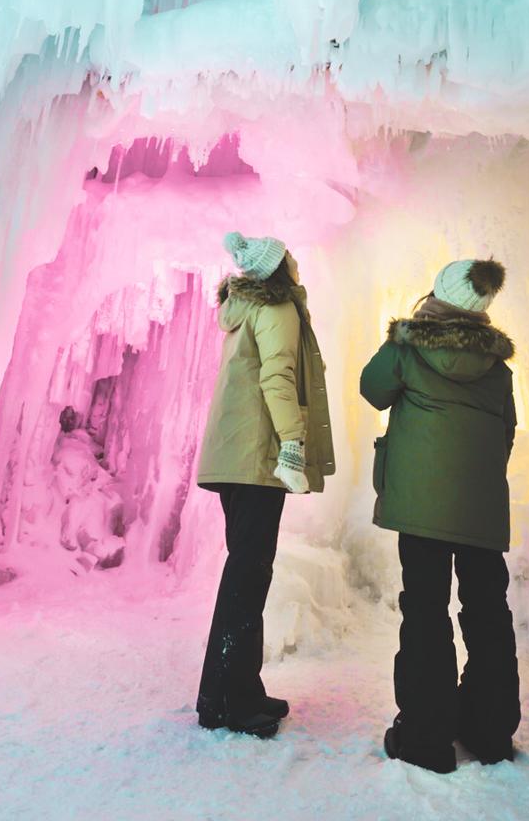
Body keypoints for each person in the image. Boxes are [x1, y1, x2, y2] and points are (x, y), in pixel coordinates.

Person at [360, 257, 520, 773]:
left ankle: (426, 738)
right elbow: (506, 435)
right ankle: (490, 732)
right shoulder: (498, 369)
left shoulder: (408, 348)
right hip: (481, 511)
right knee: (488, 612)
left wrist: (400, 341)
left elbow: (372, 388)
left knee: (426, 611)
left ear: (436, 296)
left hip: (421, 508)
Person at [195, 230, 335, 738]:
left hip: (237, 458)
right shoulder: (277, 310)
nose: (296, 263)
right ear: (279, 268)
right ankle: (228, 702)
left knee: (247, 573)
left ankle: (236, 691)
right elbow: (278, 377)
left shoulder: (245, 309)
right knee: (247, 577)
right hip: (257, 459)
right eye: (290, 258)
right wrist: (292, 443)